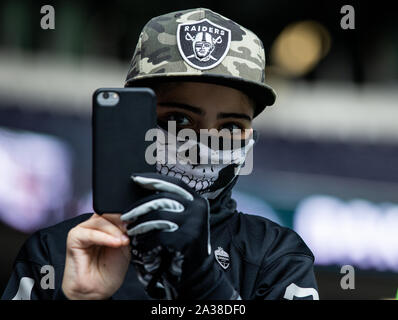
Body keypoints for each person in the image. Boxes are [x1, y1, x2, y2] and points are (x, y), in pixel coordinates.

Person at [1, 8, 319, 300]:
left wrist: (205, 283)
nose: (202, 146)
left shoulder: (277, 256)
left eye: (230, 125)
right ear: (132, 119)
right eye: (179, 119)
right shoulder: (57, 253)